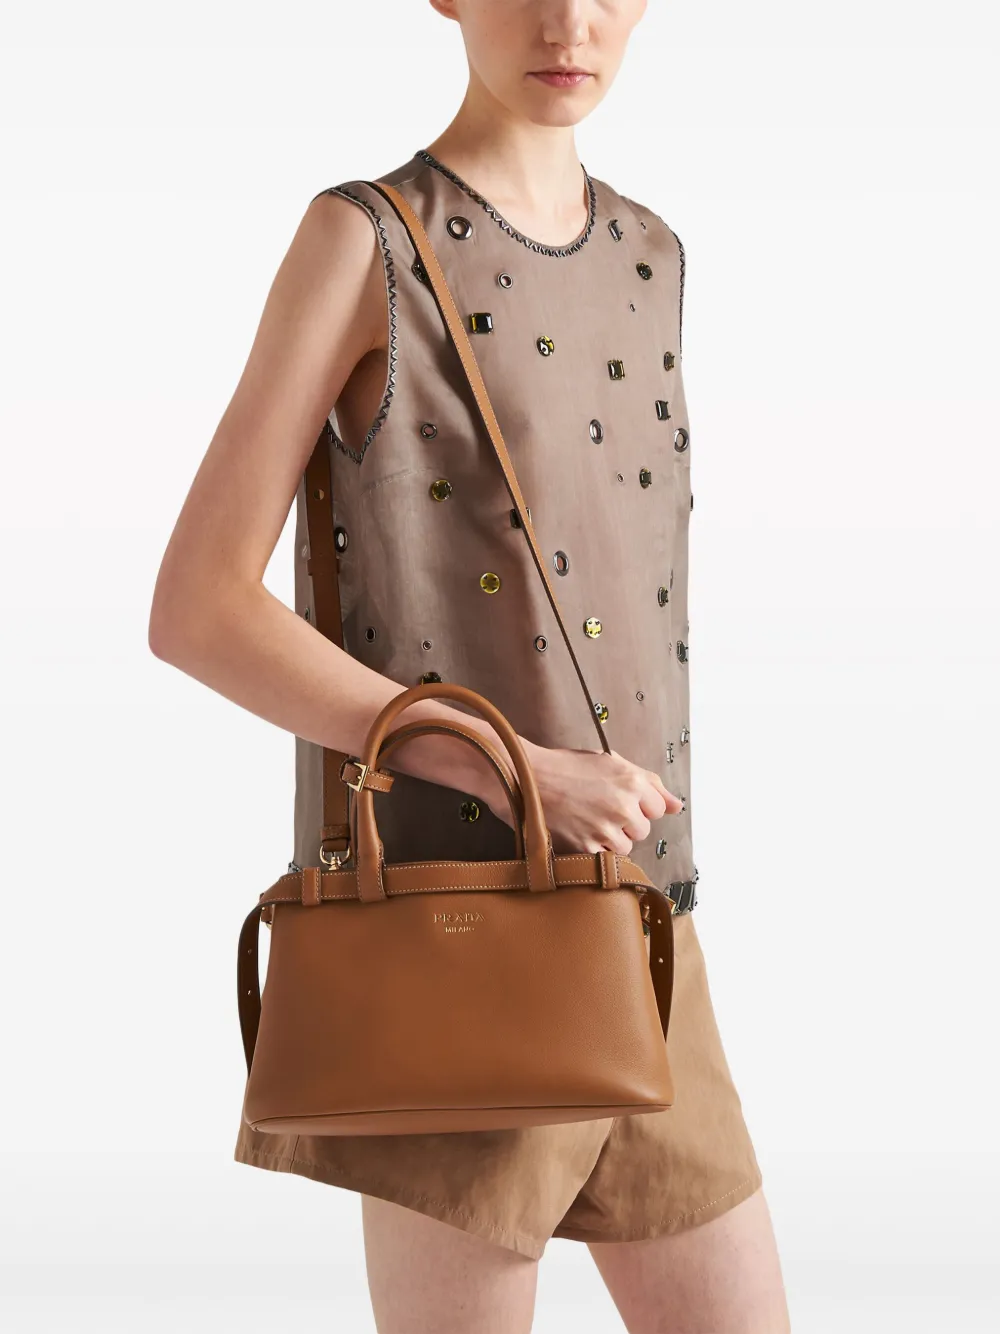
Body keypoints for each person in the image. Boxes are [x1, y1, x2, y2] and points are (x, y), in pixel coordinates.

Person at [148, 1, 791, 1329]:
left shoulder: (654, 254)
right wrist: (513, 774)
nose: (568, 21)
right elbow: (196, 605)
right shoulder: (367, 241)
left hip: (647, 937)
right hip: (458, 941)